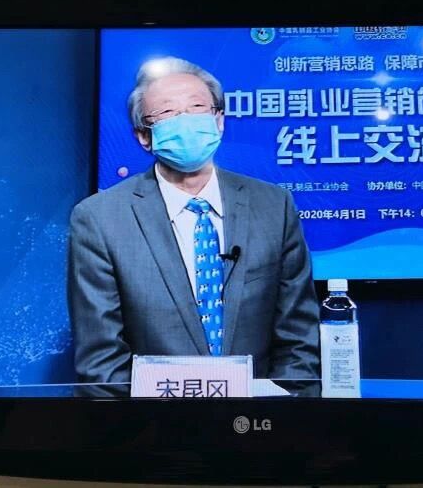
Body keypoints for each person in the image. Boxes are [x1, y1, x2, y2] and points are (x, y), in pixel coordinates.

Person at [67, 56, 320, 391]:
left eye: (197, 107)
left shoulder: (274, 206)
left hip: (259, 416)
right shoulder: (100, 218)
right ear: (144, 136)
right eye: (168, 113)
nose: (185, 121)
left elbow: (299, 338)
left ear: (219, 120)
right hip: (152, 418)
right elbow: (101, 361)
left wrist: (280, 413)